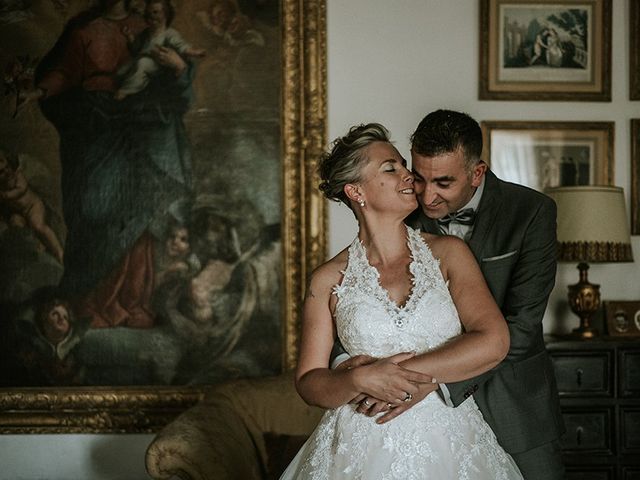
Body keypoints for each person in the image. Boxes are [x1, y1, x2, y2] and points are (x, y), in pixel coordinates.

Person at [280, 123, 523, 479]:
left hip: (451, 444)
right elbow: (309, 381)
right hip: (360, 446)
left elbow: (494, 341)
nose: (409, 175)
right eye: (390, 168)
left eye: (403, 166)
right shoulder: (327, 279)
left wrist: (399, 377)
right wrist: (359, 380)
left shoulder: (449, 255)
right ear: (356, 191)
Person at [389, 109, 563, 478]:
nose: (427, 196)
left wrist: (438, 379)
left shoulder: (532, 212)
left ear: (477, 172)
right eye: (419, 178)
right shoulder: (399, 215)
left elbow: (523, 324)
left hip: (513, 403)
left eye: (443, 183)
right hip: (424, 416)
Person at [20, 0, 195, 329]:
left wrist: (180, 68)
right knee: (93, 211)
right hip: (93, 127)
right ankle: (90, 302)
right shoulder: (84, 30)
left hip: (138, 127)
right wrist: (38, 90)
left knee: (138, 211)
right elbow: (63, 73)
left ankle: (131, 302)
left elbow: (175, 77)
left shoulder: (148, 27)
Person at [115, 0, 206, 100]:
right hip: (141, 58)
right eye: (149, 13)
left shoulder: (170, 34)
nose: (151, 16)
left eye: (155, 12)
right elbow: (136, 48)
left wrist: (193, 52)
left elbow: (182, 46)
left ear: (166, 15)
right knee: (122, 71)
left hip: (157, 65)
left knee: (142, 63)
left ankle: (126, 90)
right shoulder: (146, 33)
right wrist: (129, 36)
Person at [0, 151, 64, 263]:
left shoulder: (17, 175)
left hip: (33, 207)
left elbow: (21, 189)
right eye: (1, 172)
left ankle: (59, 252)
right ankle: (37, 244)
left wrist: (7, 195)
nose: (6, 172)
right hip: (20, 213)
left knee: (38, 226)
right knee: (16, 226)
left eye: (7, 167)